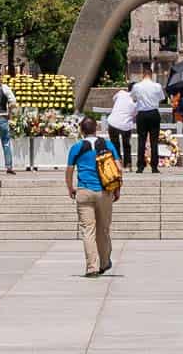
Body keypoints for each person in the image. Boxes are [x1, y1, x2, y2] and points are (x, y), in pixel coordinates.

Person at [66, 116, 120, 278]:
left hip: (83, 192)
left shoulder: (76, 147)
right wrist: (117, 190)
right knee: (103, 230)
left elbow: (69, 171)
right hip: (104, 191)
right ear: (96, 129)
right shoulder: (108, 145)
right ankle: (104, 263)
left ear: (82, 131)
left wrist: (70, 188)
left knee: (88, 230)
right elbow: (118, 168)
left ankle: (92, 267)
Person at [130, 66, 165, 174]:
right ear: (151, 74)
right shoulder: (157, 86)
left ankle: (140, 166)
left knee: (142, 140)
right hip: (153, 113)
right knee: (154, 140)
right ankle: (154, 166)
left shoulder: (137, 86)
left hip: (142, 114)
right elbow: (161, 98)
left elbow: (133, 98)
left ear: (143, 74)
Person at [106, 83, 137, 169]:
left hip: (112, 122)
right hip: (125, 125)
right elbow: (134, 115)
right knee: (126, 145)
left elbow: (114, 99)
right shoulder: (136, 102)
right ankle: (127, 164)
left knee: (115, 144)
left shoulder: (121, 93)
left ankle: (117, 163)